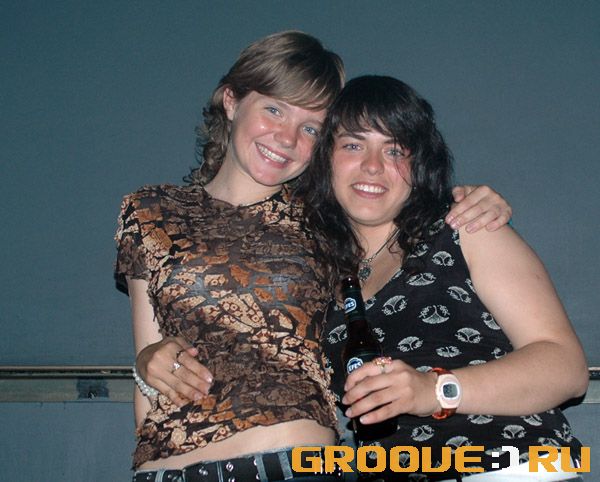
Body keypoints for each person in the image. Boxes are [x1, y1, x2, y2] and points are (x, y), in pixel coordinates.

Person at [116, 31, 512, 482]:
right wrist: (147, 364)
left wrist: (471, 200)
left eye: (310, 128)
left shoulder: (327, 216)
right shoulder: (148, 211)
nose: (287, 138)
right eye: (274, 109)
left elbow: (397, 198)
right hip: (168, 468)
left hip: (293, 464)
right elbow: (148, 366)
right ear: (231, 100)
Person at [302, 75, 589, 481]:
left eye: (394, 150)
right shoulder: (314, 275)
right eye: (353, 145)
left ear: (419, 165)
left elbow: (567, 369)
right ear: (324, 158)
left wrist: (433, 390)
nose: (372, 165)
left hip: (511, 466)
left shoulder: (465, 228)